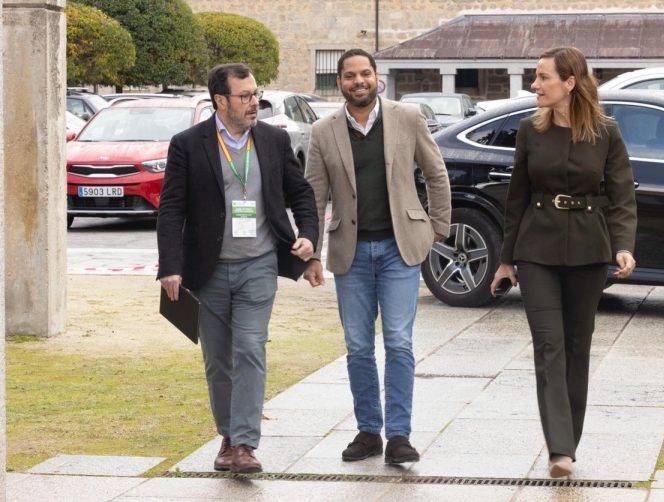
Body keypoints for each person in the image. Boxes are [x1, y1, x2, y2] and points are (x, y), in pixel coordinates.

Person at [156, 63, 318, 474]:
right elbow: (172, 208)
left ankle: (245, 442)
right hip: (208, 270)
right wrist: (170, 266)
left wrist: (309, 237)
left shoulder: (274, 140)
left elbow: (302, 193)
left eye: (256, 95)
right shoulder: (188, 144)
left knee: (250, 348)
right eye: (245, 97)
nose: (254, 104)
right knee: (217, 359)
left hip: (259, 265)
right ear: (220, 101)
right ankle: (227, 436)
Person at [490, 47, 637, 478]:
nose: (535, 85)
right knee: (549, 345)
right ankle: (560, 450)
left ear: (569, 83)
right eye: (536, 78)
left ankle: (568, 440)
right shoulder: (528, 131)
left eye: (542, 78)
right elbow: (516, 199)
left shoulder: (607, 132)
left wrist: (623, 245)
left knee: (577, 346)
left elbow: (622, 196)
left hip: (590, 251)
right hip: (536, 251)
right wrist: (505, 261)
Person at [303, 49, 451, 464]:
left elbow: (436, 173)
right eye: (350, 75)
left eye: (365, 73)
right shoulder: (323, 131)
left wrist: (438, 226)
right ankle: (368, 431)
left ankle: (399, 436)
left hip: (399, 249)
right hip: (350, 253)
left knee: (399, 343)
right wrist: (311, 251)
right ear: (340, 82)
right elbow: (313, 196)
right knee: (357, 346)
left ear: (377, 78)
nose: (359, 81)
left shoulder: (407, 117)